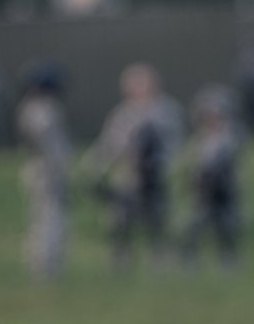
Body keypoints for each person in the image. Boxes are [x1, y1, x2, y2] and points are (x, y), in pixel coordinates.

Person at [82, 62, 184, 270]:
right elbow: (108, 144)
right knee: (121, 219)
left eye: (142, 84)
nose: (138, 90)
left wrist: (164, 164)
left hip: (155, 175)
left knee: (157, 219)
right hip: (128, 175)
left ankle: (159, 260)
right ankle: (121, 260)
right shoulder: (122, 114)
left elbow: (174, 143)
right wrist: (94, 165)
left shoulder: (166, 112)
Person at [15, 63, 70, 279]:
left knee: (46, 218)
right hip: (45, 170)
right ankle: (45, 266)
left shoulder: (31, 108)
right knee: (49, 219)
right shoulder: (41, 110)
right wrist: (58, 168)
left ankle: (46, 264)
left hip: (40, 168)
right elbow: (49, 144)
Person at [180, 84, 242, 271]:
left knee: (226, 228)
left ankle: (228, 261)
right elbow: (192, 165)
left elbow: (224, 161)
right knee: (195, 226)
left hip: (223, 191)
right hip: (203, 191)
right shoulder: (200, 140)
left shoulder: (230, 137)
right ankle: (189, 260)